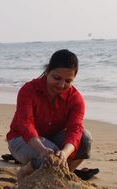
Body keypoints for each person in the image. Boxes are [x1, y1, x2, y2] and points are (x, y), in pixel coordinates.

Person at [6, 49, 98, 180]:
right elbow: (25, 124)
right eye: (57, 78)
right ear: (47, 70)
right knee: (52, 153)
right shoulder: (28, 90)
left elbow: (75, 129)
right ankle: (25, 171)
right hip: (21, 139)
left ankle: (61, 177)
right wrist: (42, 149)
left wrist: (65, 153)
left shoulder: (75, 99)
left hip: (53, 139)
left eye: (68, 81)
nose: (61, 85)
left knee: (85, 138)